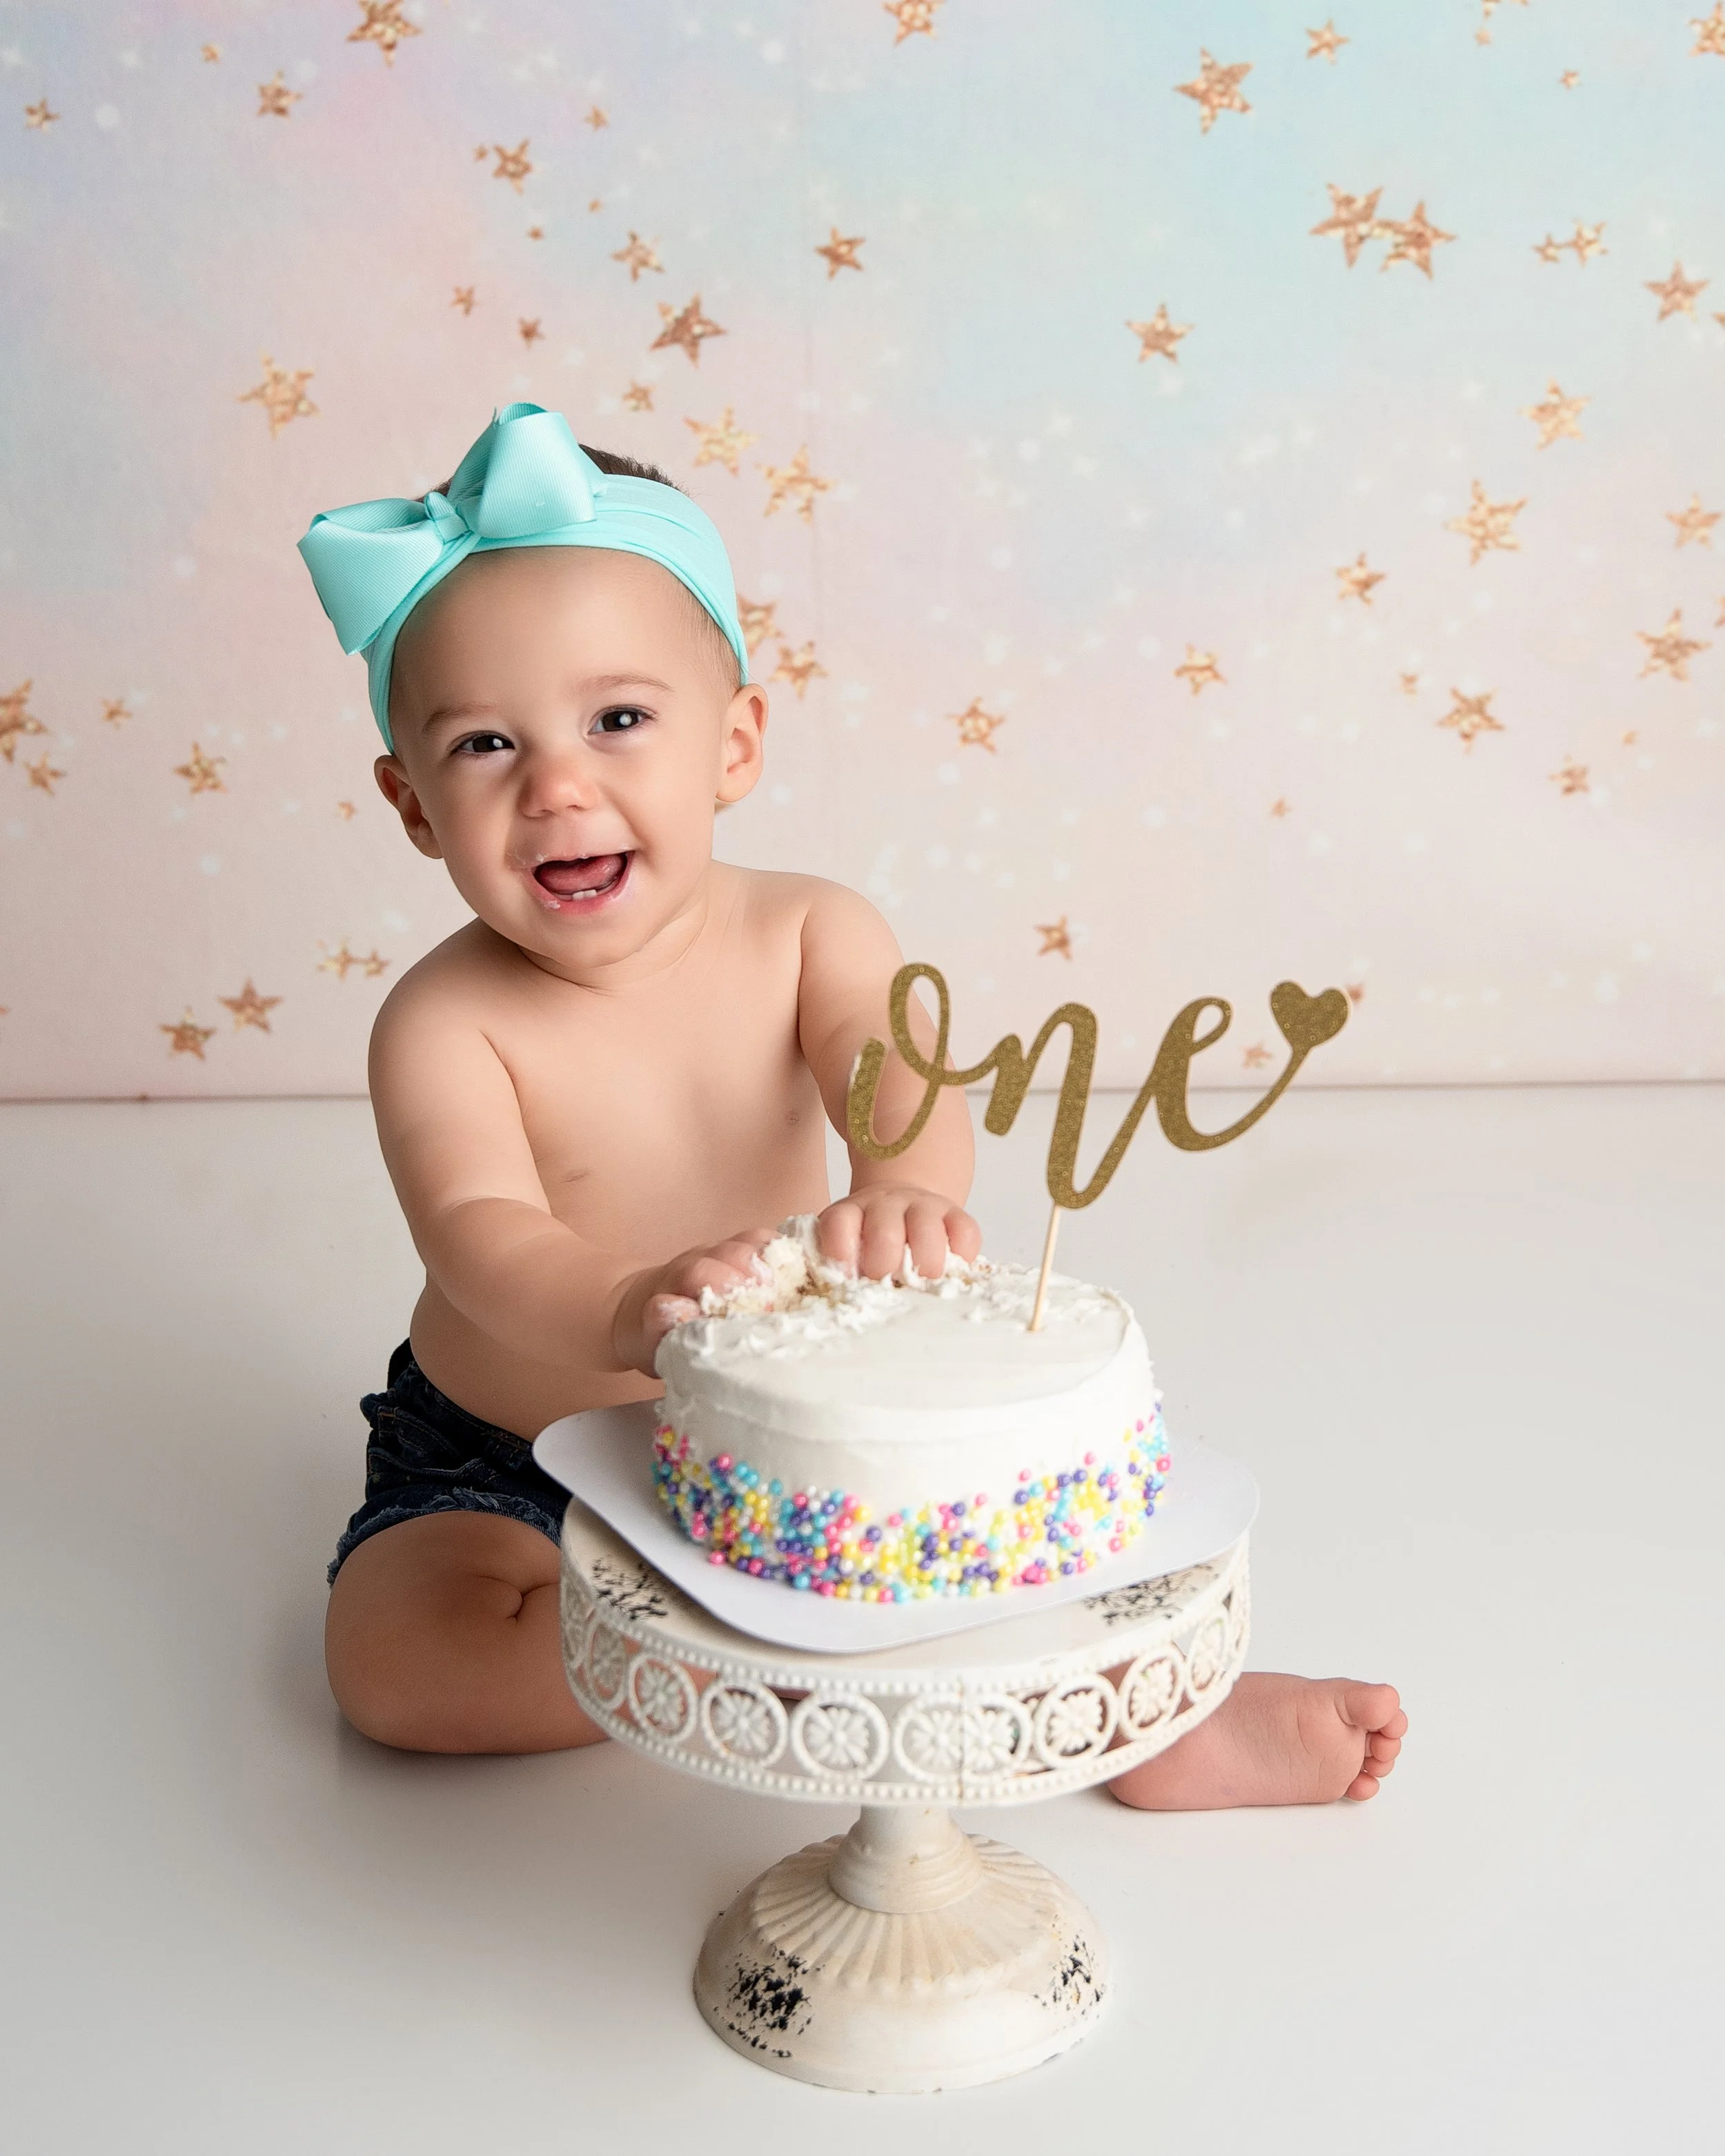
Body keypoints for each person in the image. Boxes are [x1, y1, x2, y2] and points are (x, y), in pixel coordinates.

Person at [298, 402, 1407, 1807]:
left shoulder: (815, 931)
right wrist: (625, 1299)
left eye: (618, 719)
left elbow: (900, 1090)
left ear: (736, 742)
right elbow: (478, 1226)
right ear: (410, 806)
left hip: (805, 1433)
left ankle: (1143, 1713)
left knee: (986, 1518)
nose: (558, 785)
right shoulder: (441, 1019)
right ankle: (800, 1665)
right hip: (507, 1456)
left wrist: (898, 1185)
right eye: (483, 747)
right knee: (391, 1662)